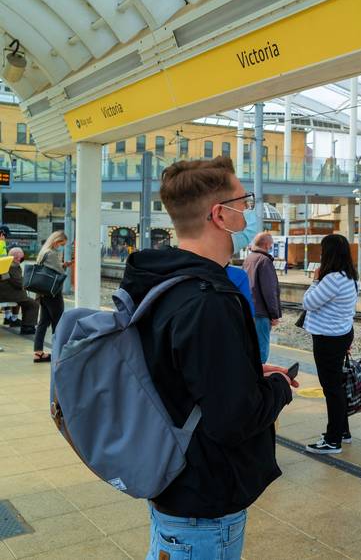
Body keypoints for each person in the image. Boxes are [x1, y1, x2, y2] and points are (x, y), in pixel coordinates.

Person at [119, 156, 297, 560]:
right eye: (243, 201)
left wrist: (248, 373)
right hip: (204, 497)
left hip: (174, 478)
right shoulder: (208, 300)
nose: (249, 212)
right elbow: (233, 419)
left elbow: (180, 376)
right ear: (220, 214)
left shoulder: (159, 282)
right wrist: (278, 387)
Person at [302, 233, 359, 454]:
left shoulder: (331, 279)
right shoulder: (352, 277)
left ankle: (333, 440)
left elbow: (308, 302)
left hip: (328, 339)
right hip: (342, 334)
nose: (321, 254)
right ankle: (343, 431)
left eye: (323, 250)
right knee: (337, 385)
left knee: (331, 388)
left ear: (330, 253)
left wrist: (315, 280)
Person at [242, 232, 282, 363]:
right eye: (271, 244)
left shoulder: (249, 258)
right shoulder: (264, 261)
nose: (271, 246)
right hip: (261, 312)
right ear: (266, 244)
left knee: (250, 345)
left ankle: (250, 376)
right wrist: (274, 314)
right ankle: (258, 378)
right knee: (262, 347)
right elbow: (269, 291)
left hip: (248, 309)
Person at [33, 231, 71, 363]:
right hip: (52, 293)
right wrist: (64, 266)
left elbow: (51, 269)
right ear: (56, 241)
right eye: (62, 243)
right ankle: (58, 352)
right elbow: (59, 272)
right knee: (58, 322)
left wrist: (62, 265)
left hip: (42, 292)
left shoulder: (44, 252)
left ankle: (38, 353)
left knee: (43, 322)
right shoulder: (52, 253)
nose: (61, 246)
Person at [0, 247, 39, 337]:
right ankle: (28, 327)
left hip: (5, 293)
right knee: (33, 304)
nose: (20, 259)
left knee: (27, 302)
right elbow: (18, 283)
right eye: (20, 257)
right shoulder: (12, 266)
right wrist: (28, 284)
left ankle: (14, 320)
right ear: (15, 257)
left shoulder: (4, 263)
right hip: (8, 294)